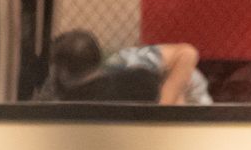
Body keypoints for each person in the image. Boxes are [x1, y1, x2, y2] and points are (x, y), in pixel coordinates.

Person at [41, 28, 211, 105]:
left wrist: (165, 106)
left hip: (190, 97)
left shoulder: (128, 63)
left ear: (61, 71)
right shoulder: (136, 73)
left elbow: (187, 54)